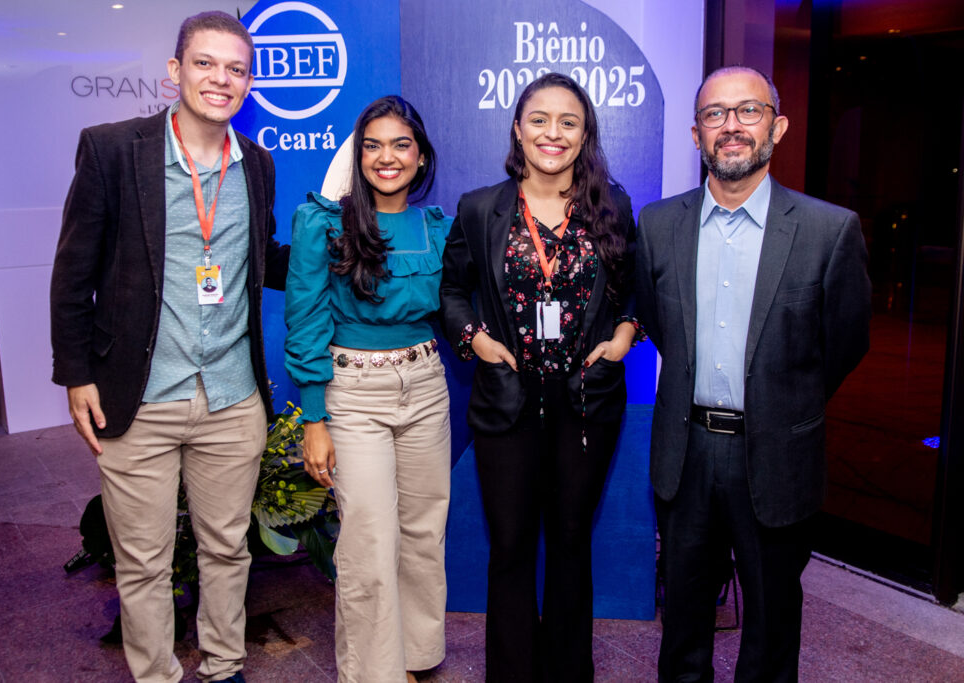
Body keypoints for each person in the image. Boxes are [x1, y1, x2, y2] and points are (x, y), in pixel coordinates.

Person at [49, 11, 289, 683]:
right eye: (206, 63)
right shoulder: (112, 149)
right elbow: (73, 272)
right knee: (144, 559)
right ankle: (155, 674)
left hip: (232, 396)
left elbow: (257, 258)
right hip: (138, 394)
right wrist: (76, 374)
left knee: (228, 549)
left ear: (250, 83)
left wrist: (343, 257)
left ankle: (224, 666)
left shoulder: (258, 165)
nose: (221, 79)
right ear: (175, 71)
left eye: (236, 69)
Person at [636, 66, 871, 681]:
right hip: (685, 455)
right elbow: (659, 323)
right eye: (715, 114)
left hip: (777, 455)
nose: (731, 127)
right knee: (683, 619)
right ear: (696, 134)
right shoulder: (658, 226)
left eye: (749, 111)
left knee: (770, 624)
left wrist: (784, 400)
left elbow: (844, 342)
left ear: (778, 126)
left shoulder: (828, 230)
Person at [440, 72, 641, 681]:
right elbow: (450, 290)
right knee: (510, 550)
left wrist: (625, 334)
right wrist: (475, 339)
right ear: (518, 129)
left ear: (585, 135)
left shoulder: (614, 204)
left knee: (572, 544)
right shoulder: (481, 208)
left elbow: (634, 289)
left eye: (568, 122)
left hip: (588, 401)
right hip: (508, 400)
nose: (552, 133)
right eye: (539, 119)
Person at [284, 95, 452, 683]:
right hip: (352, 392)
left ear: (422, 155)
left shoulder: (441, 228)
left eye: (401, 145)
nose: (387, 157)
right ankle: (374, 673)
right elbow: (305, 321)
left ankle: (416, 656)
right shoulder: (323, 223)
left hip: (426, 384)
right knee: (369, 540)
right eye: (372, 145)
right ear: (358, 156)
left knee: (424, 531)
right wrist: (314, 418)